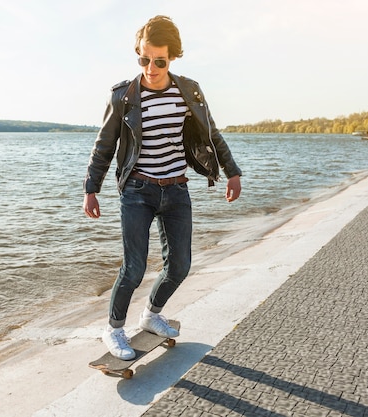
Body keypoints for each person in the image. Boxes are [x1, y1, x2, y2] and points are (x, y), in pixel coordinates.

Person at [83, 15, 242, 360]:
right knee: (134, 268)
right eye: (144, 59)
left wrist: (232, 171)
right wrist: (90, 189)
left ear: (172, 58)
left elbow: (211, 134)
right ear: (138, 55)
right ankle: (113, 330)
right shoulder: (123, 96)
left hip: (176, 191)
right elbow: (104, 146)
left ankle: (152, 315)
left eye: (159, 60)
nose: (151, 67)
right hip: (137, 192)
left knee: (180, 265)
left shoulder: (189, 91)